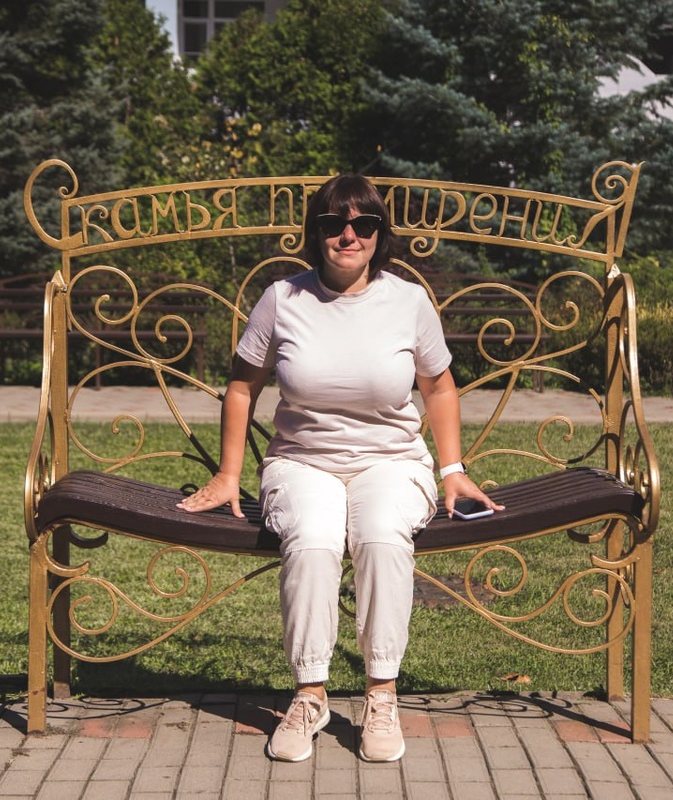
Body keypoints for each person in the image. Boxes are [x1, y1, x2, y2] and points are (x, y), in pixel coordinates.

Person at [177, 173, 502, 763]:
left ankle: (382, 694)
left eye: (363, 223)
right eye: (334, 223)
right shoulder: (283, 299)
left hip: (392, 462)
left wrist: (452, 468)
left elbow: (439, 387)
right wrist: (228, 474)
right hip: (303, 463)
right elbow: (242, 387)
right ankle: (309, 694)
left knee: (380, 535)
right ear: (316, 232)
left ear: (380, 233)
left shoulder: (408, 301)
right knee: (313, 538)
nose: (348, 235)